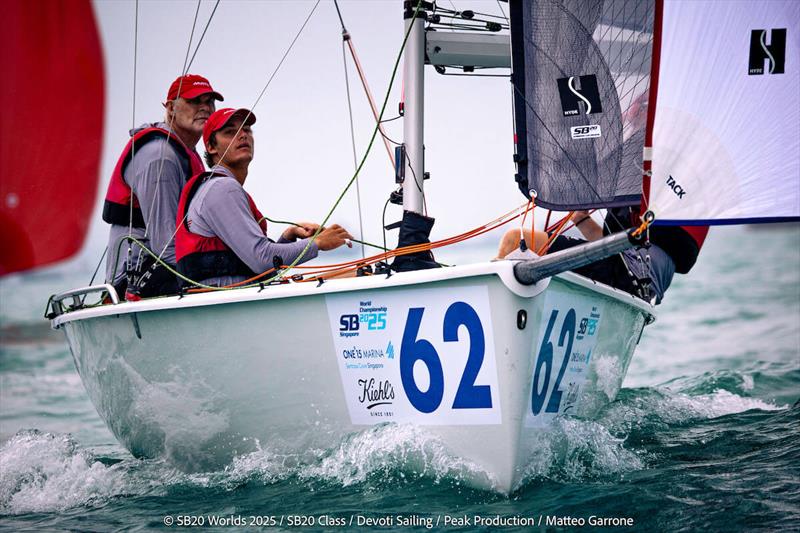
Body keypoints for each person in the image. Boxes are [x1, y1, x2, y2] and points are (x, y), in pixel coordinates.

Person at [174, 108, 352, 287]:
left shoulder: (216, 186)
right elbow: (262, 259)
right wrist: (318, 243)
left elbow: (257, 260)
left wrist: (288, 236)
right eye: (230, 132)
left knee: (348, 275)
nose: (243, 135)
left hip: (230, 300)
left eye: (247, 129)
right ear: (211, 147)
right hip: (226, 305)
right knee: (352, 276)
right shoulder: (222, 188)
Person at [103, 74, 224, 299]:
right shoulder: (161, 157)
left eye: (209, 101)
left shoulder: (185, 152)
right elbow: (165, 246)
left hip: (162, 269)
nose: (205, 108)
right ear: (171, 108)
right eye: (194, 101)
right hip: (136, 281)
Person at [497, 207, 708, 304]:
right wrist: (581, 220)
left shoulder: (659, 191)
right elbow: (612, 248)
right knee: (517, 241)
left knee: (515, 240)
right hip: (628, 282)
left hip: (631, 279)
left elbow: (627, 259)